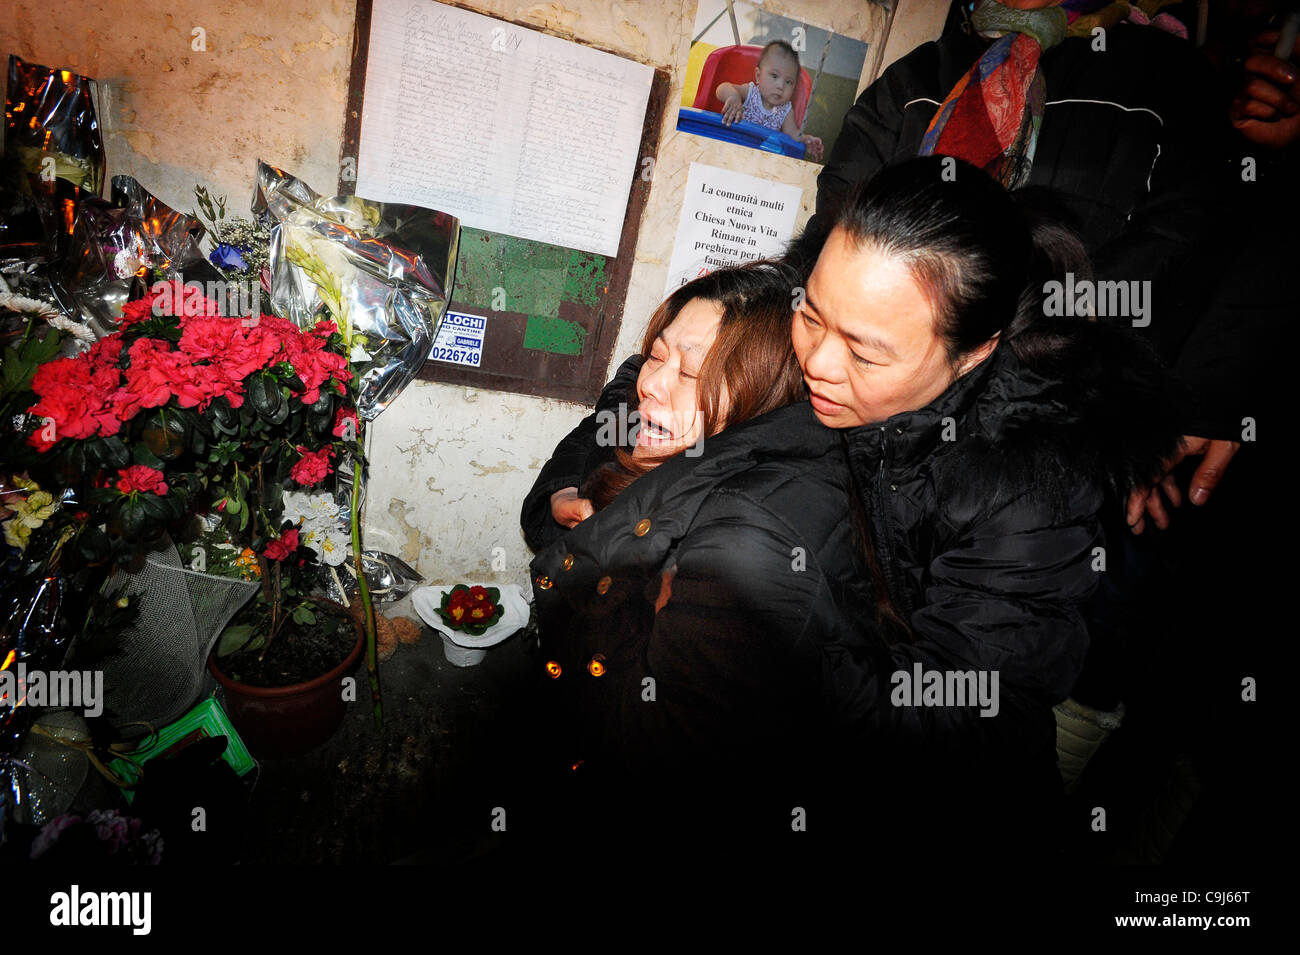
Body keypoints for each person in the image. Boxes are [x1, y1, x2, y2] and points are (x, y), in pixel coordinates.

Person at [789, 156, 1186, 850]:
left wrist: (760, 666)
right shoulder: (850, 299)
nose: (818, 361)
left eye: (864, 352)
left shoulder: (1030, 478)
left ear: (973, 353)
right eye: (812, 316)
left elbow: (969, 701)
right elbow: (690, 347)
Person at [520, 262, 875, 847]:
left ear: (764, 393)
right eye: (658, 356)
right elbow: (606, 420)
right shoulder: (674, 435)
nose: (653, 385)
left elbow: (653, 759)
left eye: (694, 370)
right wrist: (565, 497)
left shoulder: (740, 540)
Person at [715, 40, 824, 160]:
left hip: (759, 156)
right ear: (758, 76)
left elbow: (792, 133)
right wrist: (733, 97)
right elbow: (722, 88)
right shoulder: (750, 92)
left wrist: (805, 140)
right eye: (774, 76)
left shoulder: (786, 110)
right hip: (731, 145)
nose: (780, 86)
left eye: (789, 82)